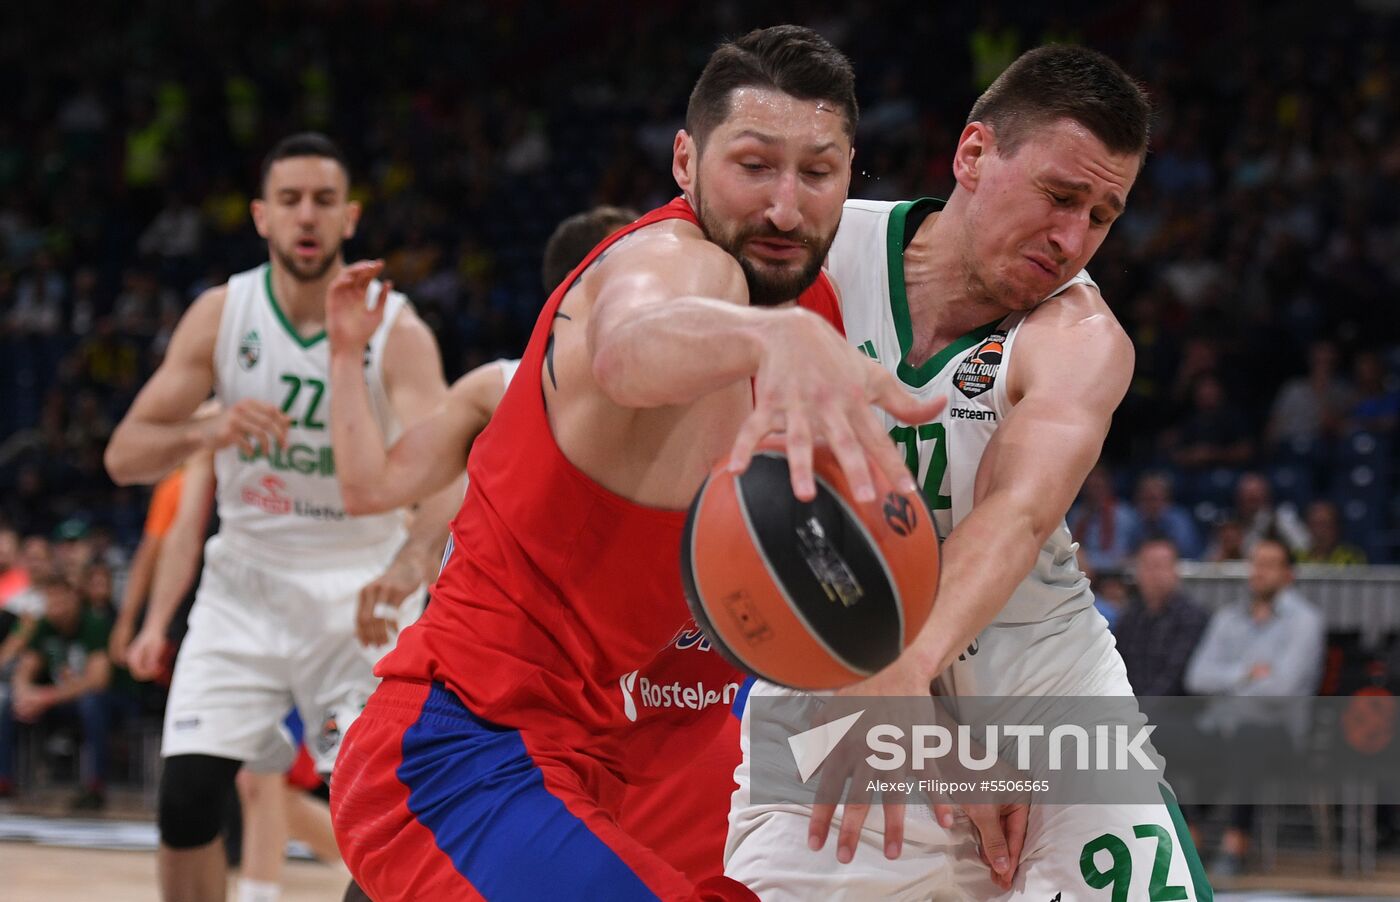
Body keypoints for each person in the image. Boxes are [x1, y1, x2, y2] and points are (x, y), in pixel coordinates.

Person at [330, 25, 939, 902]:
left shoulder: (810, 303)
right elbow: (630, 344)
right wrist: (778, 336)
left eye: (817, 172)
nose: (784, 206)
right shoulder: (678, 263)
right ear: (685, 162)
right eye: (755, 165)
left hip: (598, 756)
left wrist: (887, 669)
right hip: (466, 741)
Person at [726, 45, 1213, 901]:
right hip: (838, 665)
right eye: (1061, 197)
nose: (1073, 239)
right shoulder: (815, 247)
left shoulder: (1082, 339)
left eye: (1103, 214)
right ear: (974, 154)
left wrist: (904, 676)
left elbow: (1016, 515)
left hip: (1041, 693)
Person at [328, 204, 738, 885]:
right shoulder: (509, 383)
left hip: (657, 706)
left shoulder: (723, 390)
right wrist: (346, 356)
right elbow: (383, 485)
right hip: (519, 691)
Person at [103, 132, 461, 902]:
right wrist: (210, 429)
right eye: (291, 200)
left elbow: (450, 473)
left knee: (375, 818)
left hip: (360, 590)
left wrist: (410, 565)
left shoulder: (396, 331)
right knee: (186, 801)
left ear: (351, 218)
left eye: (324, 201)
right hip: (246, 585)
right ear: (261, 215)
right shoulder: (219, 315)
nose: (308, 216)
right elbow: (123, 455)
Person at [1184, 538, 1325, 876]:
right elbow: (1196, 677)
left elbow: (1282, 688)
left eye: (1270, 564)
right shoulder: (1228, 618)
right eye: (1255, 562)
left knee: (1248, 738)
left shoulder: (1306, 621)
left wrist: (1228, 688)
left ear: (1289, 574)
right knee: (1170, 736)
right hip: (1223, 728)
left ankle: (1236, 845)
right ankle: (1189, 841)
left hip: (1283, 736)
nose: (1259, 571)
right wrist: (1246, 674)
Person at [0, 575, 113, 809]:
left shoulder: (94, 623)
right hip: (57, 703)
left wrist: (45, 697)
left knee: (92, 703)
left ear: (75, 599)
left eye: (61, 601)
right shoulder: (43, 626)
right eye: (50, 602)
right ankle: (4, 780)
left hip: (109, 702)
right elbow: (25, 669)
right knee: (6, 700)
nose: (56, 609)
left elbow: (97, 680)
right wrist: (24, 693)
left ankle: (95, 785)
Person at [1114, 539, 1210, 697]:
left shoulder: (1192, 617)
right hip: (1129, 705)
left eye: (1160, 566)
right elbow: (1117, 665)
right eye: (1147, 567)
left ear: (1175, 571)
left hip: (1174, 709)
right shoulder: (1130, 616)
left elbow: (1175, 676)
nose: (1154, 574)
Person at [1125, 471, 1204, 560]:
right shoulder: (1133, 519)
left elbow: (1186, 553)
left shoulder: (1179, 520)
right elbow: (1126, 552)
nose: (1150, 505)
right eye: (1145, 499)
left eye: (1154, 499)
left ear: (1167, 500)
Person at [1299, 498, 1366, 565]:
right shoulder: (1295, 557)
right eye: (1315, 525)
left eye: (1326, 525)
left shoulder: (1351, 556)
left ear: (1337, 528)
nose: (1320, 531)